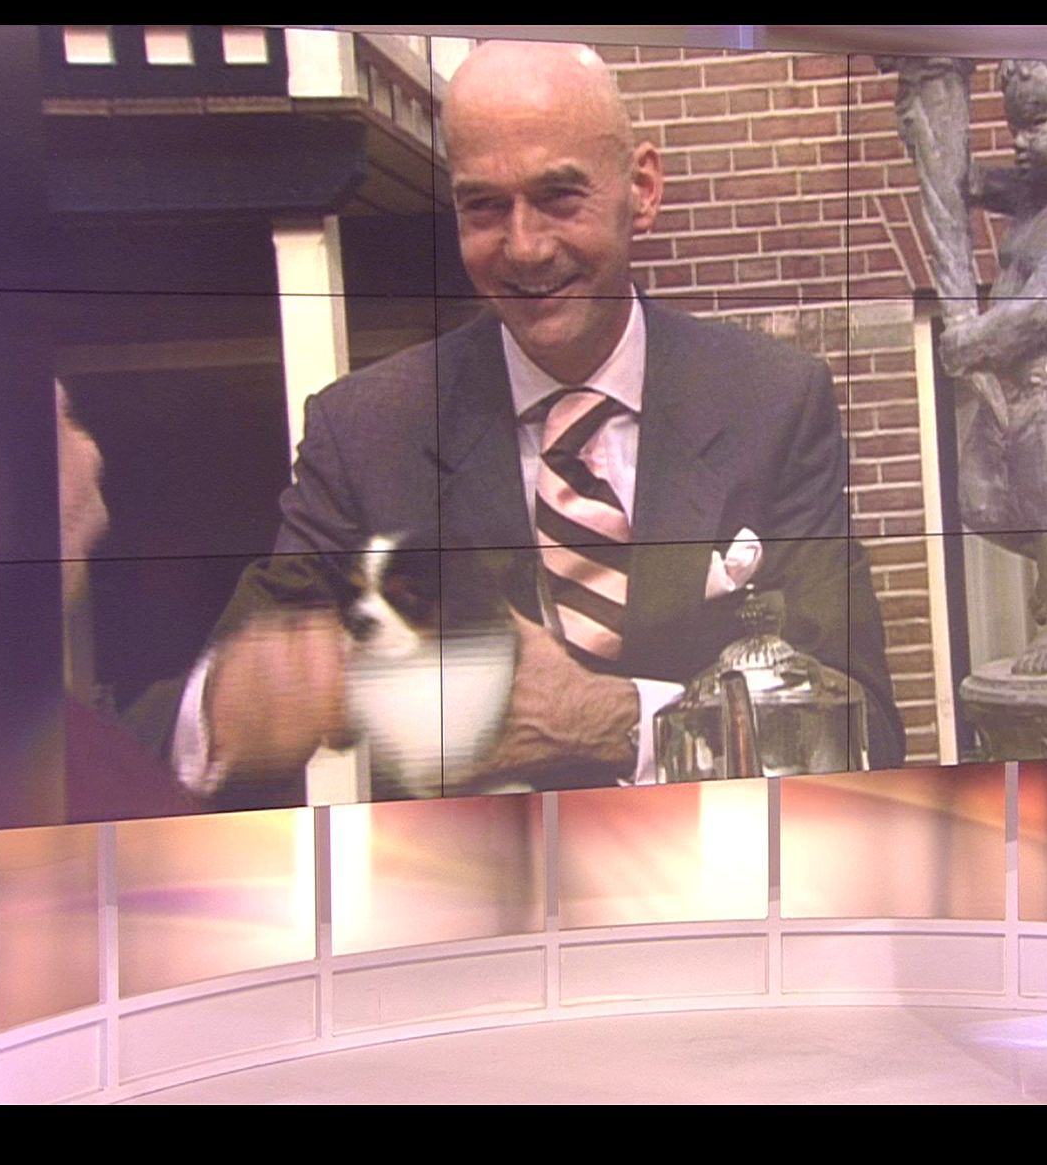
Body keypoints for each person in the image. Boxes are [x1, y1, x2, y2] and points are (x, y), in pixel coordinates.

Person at [141, 40, 903, 806]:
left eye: (559, 197)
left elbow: (864, 725)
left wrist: (616, 720)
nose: (525, 247)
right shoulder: (368, 431)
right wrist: (230, 712)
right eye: (484, 207)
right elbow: (191, 722)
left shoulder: (772, 403)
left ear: (641, 188)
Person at [890, 58, 1047, 675]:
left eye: (1036, 125)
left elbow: (1042, 310)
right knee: (979, 503)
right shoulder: (1031, 199)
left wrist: (971, 341)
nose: (1019, 142)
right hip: (1016, 384)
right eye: (1016, 125)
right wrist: (930, 131)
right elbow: (961, 179)